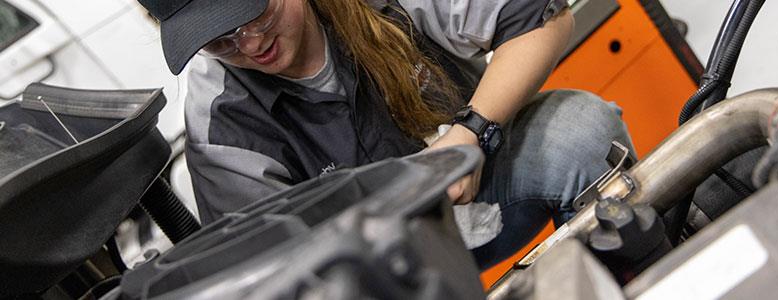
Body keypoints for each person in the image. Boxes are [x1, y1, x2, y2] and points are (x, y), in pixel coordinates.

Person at [138, 0, 634, 269]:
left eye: (253, 13)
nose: (250, 43)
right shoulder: (220, 121)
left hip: (483, 194)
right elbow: (269, 272)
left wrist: (471, 133)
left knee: (580, 131)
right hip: (370, 274)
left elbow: (542, 19)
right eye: (221, 41)